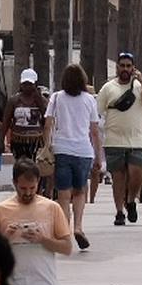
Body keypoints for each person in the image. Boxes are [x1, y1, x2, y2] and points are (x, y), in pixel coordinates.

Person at [0, 159, 73, 285]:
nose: (27, 193)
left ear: (38, 183)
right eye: (23, 189)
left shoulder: (52, 208)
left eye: (32, 188)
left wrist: (42, 239)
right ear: (15, 184)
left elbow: (66, 247)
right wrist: (5, 238)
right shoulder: (1, 210)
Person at [97, 52, 142, 226]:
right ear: (117, 67)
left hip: (137, 140)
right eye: (122, 65)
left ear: (133, 68)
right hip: (114, 140)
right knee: (118, 177)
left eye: (128, 66)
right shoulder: (108, 88)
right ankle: (119, 212)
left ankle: (131, 200)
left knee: (136, 175)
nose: (125, 69)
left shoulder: (139, 86)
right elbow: (99, 110)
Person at [43, 63, 102, 251]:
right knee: (79, 192)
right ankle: (78, 226)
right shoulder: (89, 100)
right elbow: (94, 130)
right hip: (83, 151)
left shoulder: (57, 97)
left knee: (63, 194)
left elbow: (48, 124)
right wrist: (99, 155)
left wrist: (47, 145)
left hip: (62, 149)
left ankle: (64, 232)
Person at [3, 68, 49, 163]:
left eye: (30, 84)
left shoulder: (43, 101)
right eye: (25, 84)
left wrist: (40, 103)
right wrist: (0, 142)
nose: (27, 87)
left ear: (35, 84)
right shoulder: (14, 100)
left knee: (35, 168)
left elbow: (47, 122)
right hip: (18, 141)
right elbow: (6, 121)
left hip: (36, 141)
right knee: (21, 167)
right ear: (21, 84)